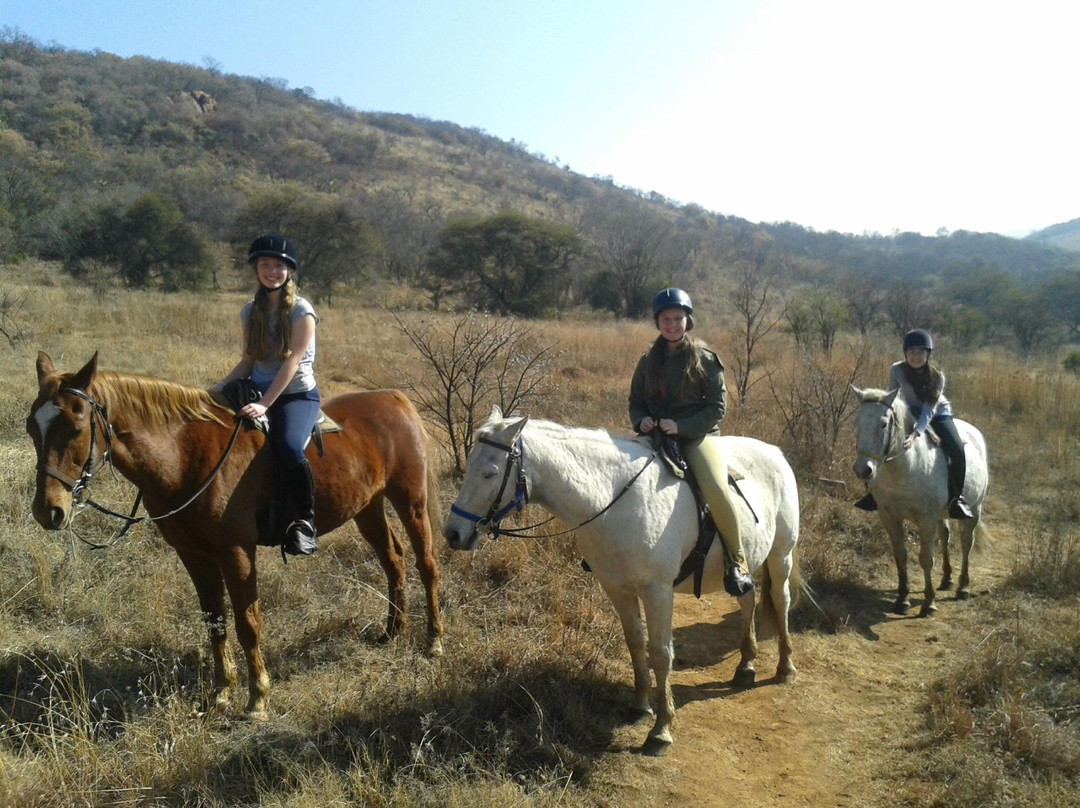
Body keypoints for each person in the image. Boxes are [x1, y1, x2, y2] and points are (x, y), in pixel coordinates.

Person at [628, 288, 755, 597]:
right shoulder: (647, 360)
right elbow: (635, 401)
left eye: (678, 319)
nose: (673, 324)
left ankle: (737, 561)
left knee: (714, 486)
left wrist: (681, 426)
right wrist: (640, 420)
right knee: (621, 475)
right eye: (666, 319)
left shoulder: (705, 358)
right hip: (655, 434)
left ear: (688, 321)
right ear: (657, 322)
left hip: (698, 436)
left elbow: (717, 408)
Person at [213, 233, 321, 556]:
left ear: (289, 270)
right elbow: (248, 361)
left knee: (288, 448)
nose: (272, 271)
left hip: (296, 395)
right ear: (256, 269)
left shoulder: (302, 311)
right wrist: (212, 393)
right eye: (265, 265)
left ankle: (306, 521)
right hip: (259, 389)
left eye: (279, 265)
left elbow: (292, 362)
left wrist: (263, 404)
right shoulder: (250, 312)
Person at [854, 328, 974, 520]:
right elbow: (891, 398)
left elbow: (929, 409)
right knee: (882, 441)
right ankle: (873, 494)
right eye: (911, 352)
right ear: (905, 353)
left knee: (956, 448)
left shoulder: (937, 376)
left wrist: (915, 433)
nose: (916, 357)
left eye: (920, 352)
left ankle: (956, 499)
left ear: (928, 354)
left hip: (937, 414)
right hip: (907, 411)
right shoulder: (896, 370)